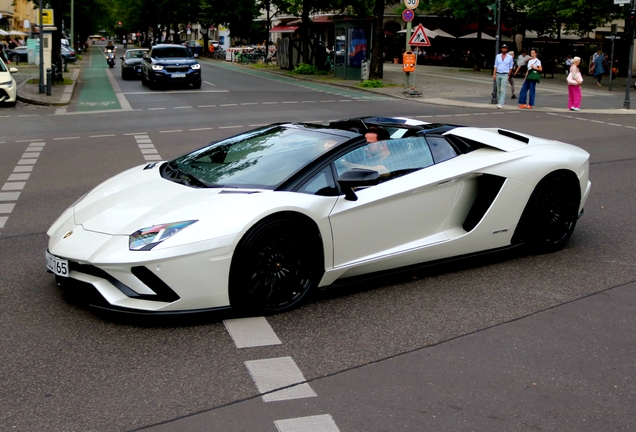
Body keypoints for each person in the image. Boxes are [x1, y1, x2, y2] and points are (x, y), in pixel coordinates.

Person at [493, 44, 514, 108]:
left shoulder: (509, 57)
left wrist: (509, 75)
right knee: (499, 89)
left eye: (505, 48)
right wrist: (494, 74)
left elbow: (510, 67)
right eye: (503, 48)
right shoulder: (498, 56)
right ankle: (500, 102)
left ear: (506, 49)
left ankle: (501, 103)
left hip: (505, 74)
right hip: (498, 73)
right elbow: (495, 65)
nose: (503, 49)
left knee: (503, 89)